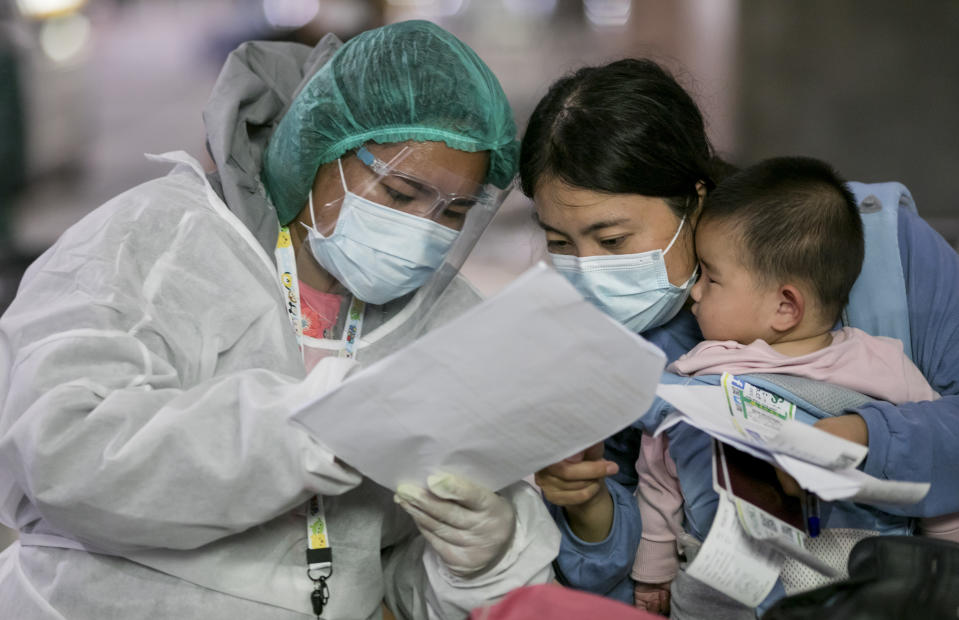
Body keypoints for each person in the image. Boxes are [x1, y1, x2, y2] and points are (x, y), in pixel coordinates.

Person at [0, 20, 560, 619]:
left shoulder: (449, 324)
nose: (425, 227)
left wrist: (484, 558)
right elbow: (65, 455)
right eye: (401, 195)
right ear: (317, 151)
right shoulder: (157, 243)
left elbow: (401, 584)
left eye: (453, 212)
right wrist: (302, 430)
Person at [519, 57, 959, 616]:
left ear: (694, 200)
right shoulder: (590, 349)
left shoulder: (879, 249)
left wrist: (867, 434)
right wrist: (587, 508)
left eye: (611, 240)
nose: (587, 270)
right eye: (559, 243)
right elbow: (621, 562)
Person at [632, 155, 953, 615]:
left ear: (786, 307)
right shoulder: (692, 372)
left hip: (856, 599)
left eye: (711, 276)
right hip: (720, 598)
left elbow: (937, 477)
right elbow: (657, 475)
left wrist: (944, 569)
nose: (695, 292)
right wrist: (653, 571)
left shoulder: (885, 367)